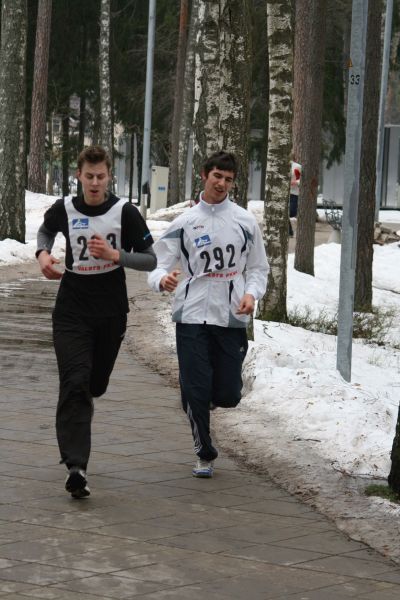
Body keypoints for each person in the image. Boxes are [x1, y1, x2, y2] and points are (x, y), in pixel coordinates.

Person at [36, 145, 157, 499]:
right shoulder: (65, 208)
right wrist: (43, 254)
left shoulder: (124, 212)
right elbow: (45, 232)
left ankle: (86, 404)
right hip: (71, 309)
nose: (94, 183)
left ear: (109, 177)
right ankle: (76, 467)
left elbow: (150, 260)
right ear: (78, 175)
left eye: (100, 176)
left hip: (110, 311)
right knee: (74, 381)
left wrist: (116, 255)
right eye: (88, 176)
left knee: (94, 384)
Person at [148, 151, 269, 478]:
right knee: (196, 389)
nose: (222, 184)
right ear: (204, 175)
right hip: (190, 315)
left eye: (228, 179)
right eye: (217, 176)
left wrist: (251, 294)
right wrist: (162, 280)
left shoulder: (244, 221)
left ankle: (201, 396)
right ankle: (204, 452)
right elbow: (156, 264)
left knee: (228, 394)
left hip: (230, 315)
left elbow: (259, 268)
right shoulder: (184, 223)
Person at [289, 158, 302, 237]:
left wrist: (296, 182)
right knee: (286, 212)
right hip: (285, 193)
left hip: (294, 193)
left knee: (292, 212)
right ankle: (289, 231)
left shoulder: (297, 167)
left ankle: (290, 231)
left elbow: (302, 178)